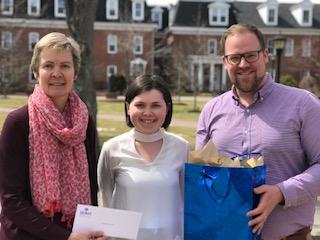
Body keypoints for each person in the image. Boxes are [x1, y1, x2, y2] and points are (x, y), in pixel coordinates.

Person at [196, 23, 320, 240]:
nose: (243, 64)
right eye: (235, 57)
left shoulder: (303, 104)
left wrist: (281, 192)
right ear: (225, 62)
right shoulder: (211, 110)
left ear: (265, 55)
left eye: (251, 55)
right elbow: (202, 173)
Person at [0, 32, 107, 240]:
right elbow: (12, 201)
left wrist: (95, 231)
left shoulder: (84, 120)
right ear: (35, 72)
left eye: (65, 66)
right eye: (48, 65)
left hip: (77, 233)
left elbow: (91, 187)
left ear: (75, 73)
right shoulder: (18, 123)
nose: (57, 73)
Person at [98, 74, 189, 240]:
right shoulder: (111, 148)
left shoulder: (182, 148)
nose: (148, 113)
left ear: (167, 108)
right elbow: (105, 201)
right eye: (140, 105)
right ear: (127, 107)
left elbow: (187, 201)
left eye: (155, 105)